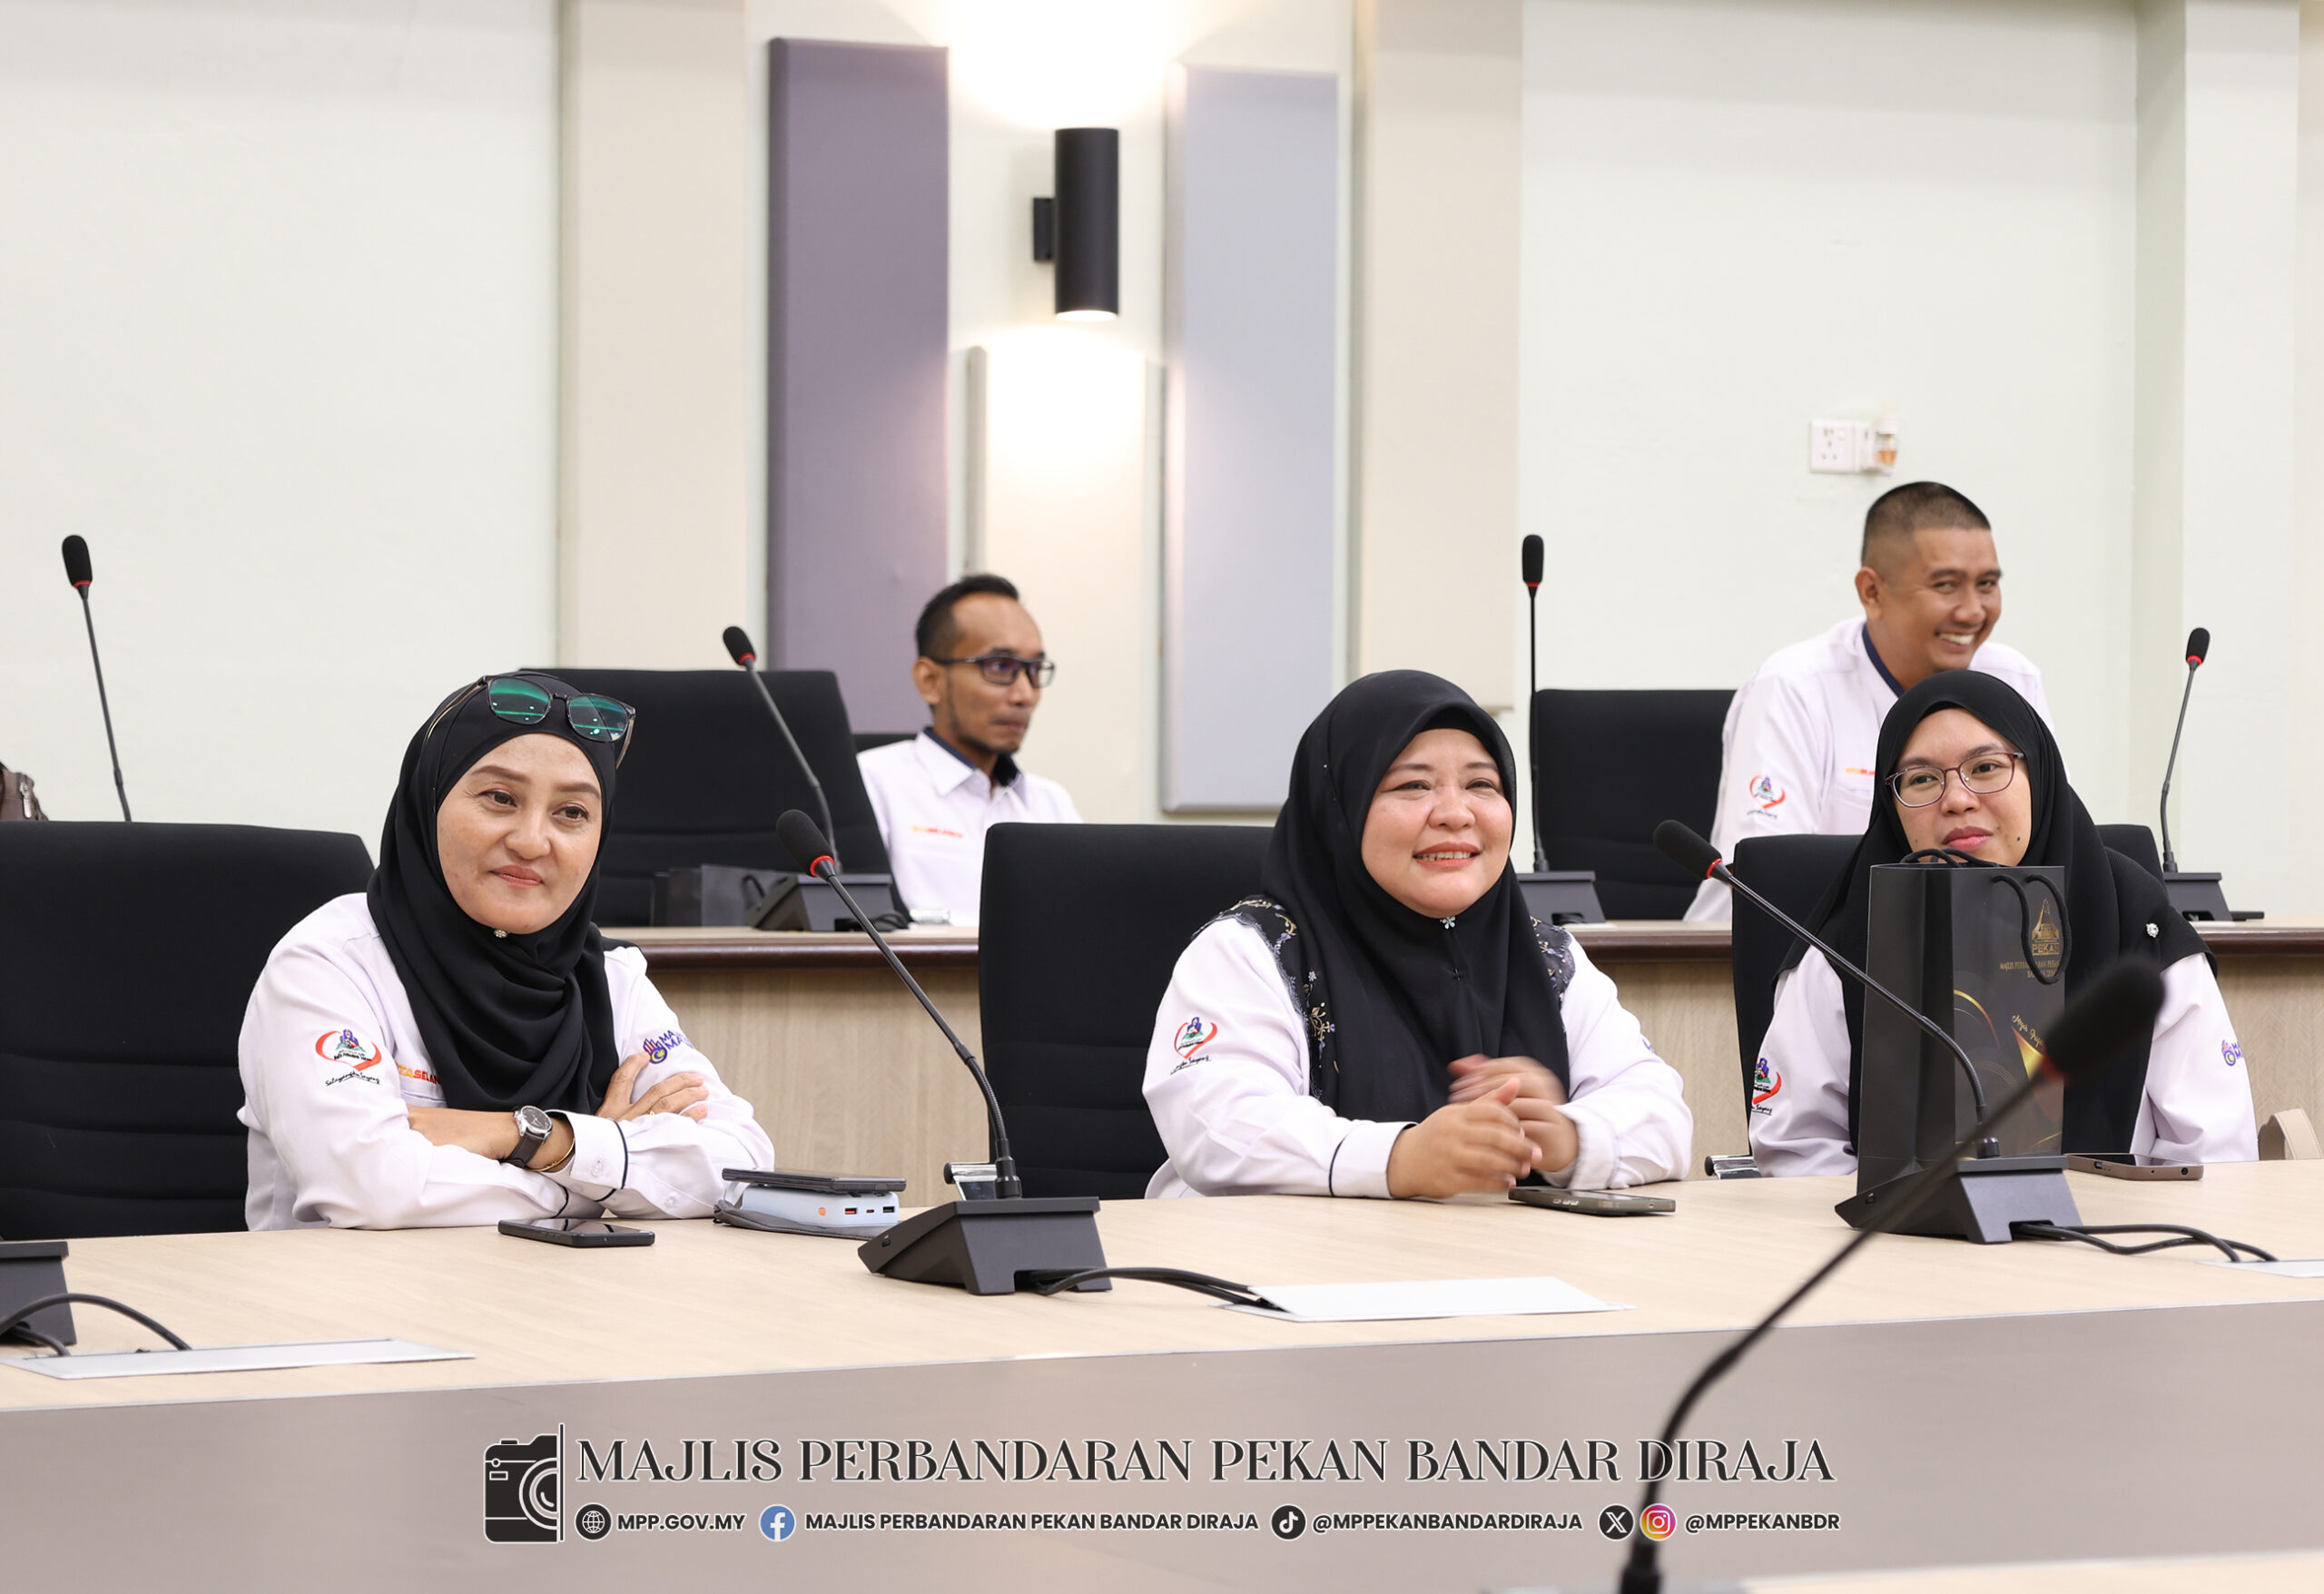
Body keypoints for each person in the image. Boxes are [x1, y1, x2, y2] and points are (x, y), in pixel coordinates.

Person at [239, 673, 773, 1228]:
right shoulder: (330, 964)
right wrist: (602, 1171)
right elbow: (371, 1187)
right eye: (500, 798)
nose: (531, 841)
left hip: (565, 1283)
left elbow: (742, 1168)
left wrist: (531, 1137)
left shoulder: (612, 980)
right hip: (358, 1284)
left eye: (572, 812)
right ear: (429, 801)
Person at [1142, 671, 1692, 1199]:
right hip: (1283, 1258)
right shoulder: (1253, 951)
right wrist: (1398, 1158)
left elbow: (1664, 1117)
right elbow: (1216, 1126)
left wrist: (1567, 1138)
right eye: (1413, 785)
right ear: (1340, 806)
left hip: (1498, 1258)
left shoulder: (1549, 958)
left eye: (1481, 784)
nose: (1455, 813)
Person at [1748, 672, 2255, 1176]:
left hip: (2115, 1223)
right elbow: (1796, 1150)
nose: (1957, 799)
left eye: (1986, 767)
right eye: (1921, 779)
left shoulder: (2137, 925)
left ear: (2039, 773)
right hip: (1896, 1225)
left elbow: (2215, 1154)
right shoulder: (1847, 940)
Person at [1687, 482, 2050, 920]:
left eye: (1987, 584)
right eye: (1946, 585)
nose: (1973, 611)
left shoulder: (2012, 680)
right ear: (1872, 593)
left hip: (1977, 939)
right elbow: (1767, 881)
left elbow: (2047, 838)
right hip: (1774, 949)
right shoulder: (1794, 687)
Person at [857, 573, 1080, 925]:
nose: (1024, 694)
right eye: (1000, 666)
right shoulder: (870, 784)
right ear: (930, 681)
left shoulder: (1051, 805)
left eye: (1035, 670)